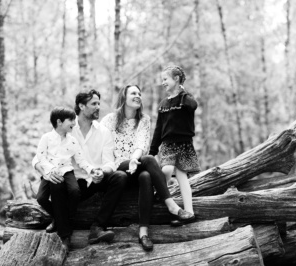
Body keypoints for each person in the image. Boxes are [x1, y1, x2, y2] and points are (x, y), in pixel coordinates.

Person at [101, 84, 195, 252]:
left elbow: (141, 143)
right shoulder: (109, 120)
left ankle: (143, 233)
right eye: (133, 93)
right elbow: (102, 147)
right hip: (116, 169)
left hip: (135, 165)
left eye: (139, 93)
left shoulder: (143, 120)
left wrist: (134, 159)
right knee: (150, 160)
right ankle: (171, 205)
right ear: (124, 96)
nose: (138, 96)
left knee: (145, 175)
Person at [33, 90, 128, 248]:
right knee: (57, 181)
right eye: (94, 104)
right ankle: (64, 234)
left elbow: (110, 162)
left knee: (120, 177)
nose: (98, 107)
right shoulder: (66, 125)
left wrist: (101, 172)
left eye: (99, 103)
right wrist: (46, 173)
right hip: (70, 182)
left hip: (93, 180)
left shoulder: (104, 132)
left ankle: (97, 227)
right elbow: (39, 157)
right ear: (81, 106)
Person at [34, 107, 99, 247]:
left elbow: (81, 161)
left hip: (67, 170)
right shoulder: (46, 138)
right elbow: (41, 157)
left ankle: (62, 225)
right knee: (41, 198)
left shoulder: (73, 141)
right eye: (71, 120)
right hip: (50, 172)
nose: (74, 123)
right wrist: (50, 170)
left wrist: (92, 170)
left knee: (75, 192)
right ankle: (62, 225)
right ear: (59, 122)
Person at [149, 65, 200, 227]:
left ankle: (189, 212)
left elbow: (193, 105)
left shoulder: (186, 99)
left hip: (184, 145)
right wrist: (152, 150)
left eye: (165, 79)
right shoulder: (164, 104)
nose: (163, 82)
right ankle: (159, 191)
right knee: (166, 170)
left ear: (176, 79)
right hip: (168, 145)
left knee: (182, 177)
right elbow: (158, 128)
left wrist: (182, 93)